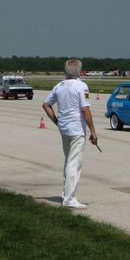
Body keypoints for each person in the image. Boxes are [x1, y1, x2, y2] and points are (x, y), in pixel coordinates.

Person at [42, 59, 98, 210]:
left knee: (68, 161)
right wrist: (93, 131)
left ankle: (66, 193)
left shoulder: (59, 86)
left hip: (64, 129)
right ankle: (69, 198)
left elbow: (46, 105)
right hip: (76, 130)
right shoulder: (81, 86)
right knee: (74, 164)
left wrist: (57, 121)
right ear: (79, 71)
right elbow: (85, 109)